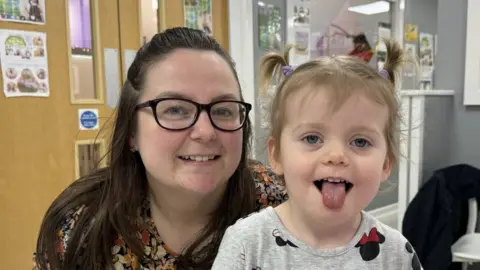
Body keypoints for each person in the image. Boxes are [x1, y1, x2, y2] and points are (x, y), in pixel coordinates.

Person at [33, 27, 287, 269]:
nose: (206, 132)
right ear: (132, 131)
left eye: (222, 111)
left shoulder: (281, 206)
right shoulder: (82, 225)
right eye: (175, 109)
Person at [211, 39, 423, 270]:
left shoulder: (395, 254)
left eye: (360, 141)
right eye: (312, 138)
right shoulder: (246, 244)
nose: (336, 155)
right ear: (278, 155)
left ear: (386, 163)